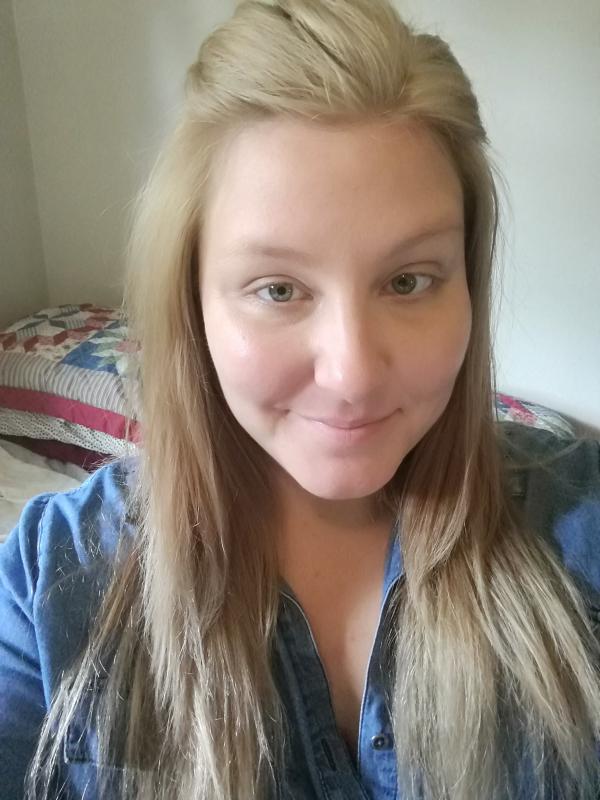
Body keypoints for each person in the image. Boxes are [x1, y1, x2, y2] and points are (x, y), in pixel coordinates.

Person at [1, 1, 599, 798]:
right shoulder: (50, 581)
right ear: (192, 302)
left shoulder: (582, 520)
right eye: (278, 289)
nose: (352, 375)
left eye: (408, 280)